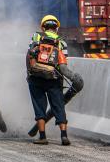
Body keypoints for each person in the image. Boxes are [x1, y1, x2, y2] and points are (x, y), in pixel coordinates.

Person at [27, 15, 83, 145]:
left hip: (36, 77)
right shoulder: (61, 41)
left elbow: (30, 53)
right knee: (58, 106)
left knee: (39, 107)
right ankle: (64, 136)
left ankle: (42, 137)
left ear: (43, 26)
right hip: (55, 79)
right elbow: (63, 63)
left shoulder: (36, 36)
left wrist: (29, 72)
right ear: (56, 28)